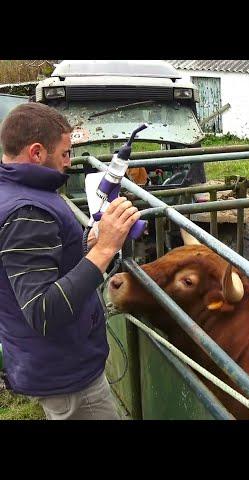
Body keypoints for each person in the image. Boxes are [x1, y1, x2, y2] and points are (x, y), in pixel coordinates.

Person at [0, 103, 141, 420]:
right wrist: (104, 249)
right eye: (65, 153)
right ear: (37, 153)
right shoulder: (26, 212)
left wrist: (85, 243)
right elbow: (43, 311)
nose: (69, 161)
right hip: (70, 379)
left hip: (53, 364)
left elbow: (44, 260)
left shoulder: (18, 190)